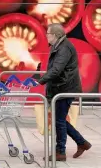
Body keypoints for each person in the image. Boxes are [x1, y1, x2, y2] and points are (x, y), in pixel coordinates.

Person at [36, 23, 92, 161]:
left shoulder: (64, 48)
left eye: (48, 34)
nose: (46, 36)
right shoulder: (59, 46)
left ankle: (60, 152)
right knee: (59, 119)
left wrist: (40, 81)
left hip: (65, 88)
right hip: (61, 87)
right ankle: (81, 142)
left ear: (55, 35)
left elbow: (56, 70)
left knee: (59, 121)